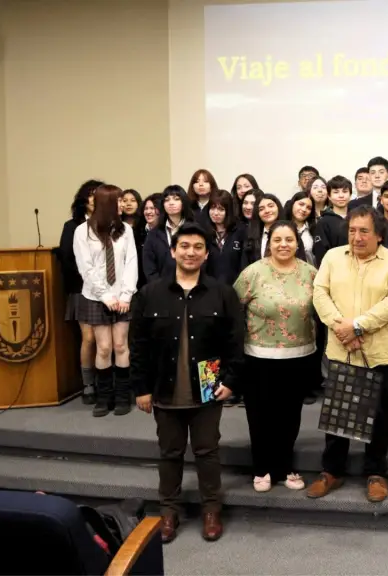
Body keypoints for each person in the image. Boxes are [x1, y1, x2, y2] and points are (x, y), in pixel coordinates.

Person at [130, 222, 244, 544]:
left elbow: (236, 343)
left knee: (207, 451)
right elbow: (138, 345)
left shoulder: (222, 293)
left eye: (197, 247)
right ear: (173, 251)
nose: (190, 252)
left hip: (207, 383)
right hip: (164, 386)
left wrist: (231, 382)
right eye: (184, 246)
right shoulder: (150, 294)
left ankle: (211, 509)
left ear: (206, 253)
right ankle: (169, 510)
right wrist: (140, 387)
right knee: (170, 452)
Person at [306, 205, 388, 503]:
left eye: (364, 231)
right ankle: (332, 471)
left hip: (378, 351)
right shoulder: (332, 257)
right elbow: (319, 293)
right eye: (352, 230)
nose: (356, 237)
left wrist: (358, 327)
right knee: (337, 413)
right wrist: (342, 328)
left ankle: (376, 472)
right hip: (341, 348)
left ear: (379, 235)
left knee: (377, 415)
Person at [234, 221, 318, 492]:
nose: (284, 244)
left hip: (299, 355)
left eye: (289, 239)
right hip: (258, 356)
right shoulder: (253, 273)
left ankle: (284, 467)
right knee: (260, 414)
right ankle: (261, 468)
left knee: (290, 414)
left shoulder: (311, 274)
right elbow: (233, 309)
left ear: (298, 243)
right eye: (278, 239)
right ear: (269, 243)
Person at [73, 184, 138, 417]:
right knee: (103, 348)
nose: (123, 204)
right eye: (119, 201)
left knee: (121, 345)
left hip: (122, 298)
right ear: (107, 203)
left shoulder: (126, 231)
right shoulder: (83, 231)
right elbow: (86, 268)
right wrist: (106, 296)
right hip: (96, 297)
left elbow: (131, 263)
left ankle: (122, 397)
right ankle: (104, 397)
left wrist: (125, 294)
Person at [60, 179, 104, 405]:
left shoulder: (112, 224)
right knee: (89, 338)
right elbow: (68, 260)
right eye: (91, 194)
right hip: (82, 289)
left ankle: (107, 384)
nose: (95, 199)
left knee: (107, 340)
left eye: (100, 194)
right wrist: (92, 282)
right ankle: (88, 384)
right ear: (83, 200)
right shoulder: (72, 226)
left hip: (108, 290)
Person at [143, 185, 196, 282]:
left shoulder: (195, 229)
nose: (171, 203)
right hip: (161, 289)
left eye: (176, 199)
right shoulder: (154, 234)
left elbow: (202, 260)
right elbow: (149, 266)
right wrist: (160, 287)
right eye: (167, 200)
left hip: (192, 286)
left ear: (183, 202)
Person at [312, 175, 351, 265]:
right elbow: (321, 254)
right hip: (335, 272)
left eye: (345, 191)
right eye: (336, 192)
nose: (341, 196)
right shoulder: (323, 222)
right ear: (329, 196)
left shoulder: (357, 218)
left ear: (350, 194)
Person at [206, 192, 243, 285]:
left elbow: (243, 264)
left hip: (235, 287)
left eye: (221, 209)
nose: (215, 213)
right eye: (212, 208)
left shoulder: (240, 231)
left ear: (229, 211)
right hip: (209, 288)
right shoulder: (204, 232)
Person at [134, 193, 163, 289]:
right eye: (146, 208)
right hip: (140, 285)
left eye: (153, 208)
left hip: (161, 285)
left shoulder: (166, 233)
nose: (148, 212)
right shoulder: (137, 232)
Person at [284, 191, 317, 263]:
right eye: (301, 204)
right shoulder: (281, 228)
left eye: (308, 208)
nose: (304, 209)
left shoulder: (313, 230)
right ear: (292, 204)